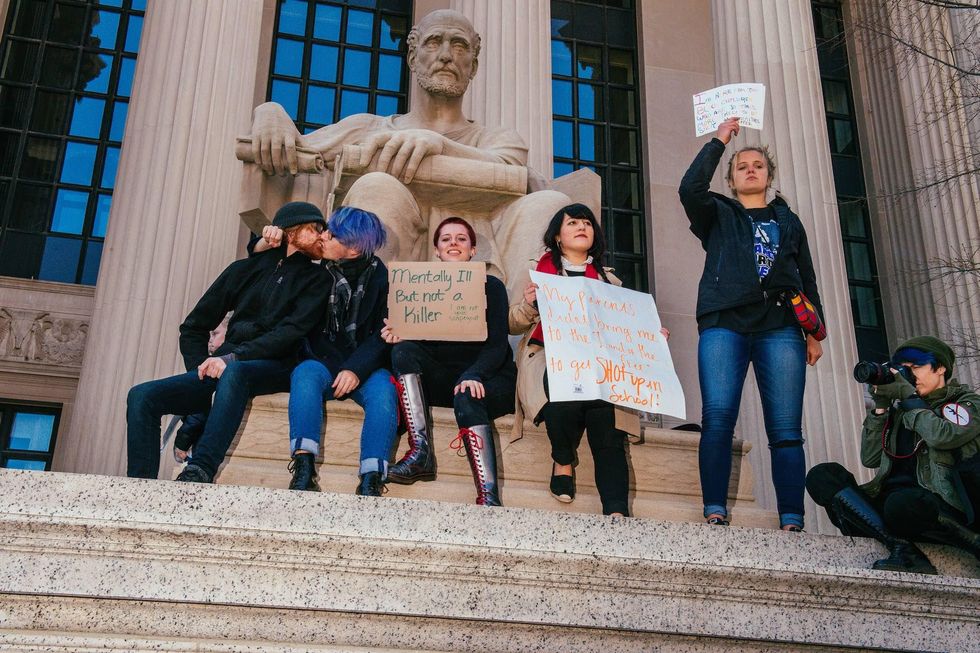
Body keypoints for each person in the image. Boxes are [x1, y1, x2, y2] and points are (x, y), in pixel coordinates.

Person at [247, 9, 572, 301]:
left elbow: (512, 170)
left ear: (472, 65)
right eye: (434, 42)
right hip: (390, 304)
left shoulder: (497, 139)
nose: (446, 55)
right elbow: (294, 159)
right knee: (378, 187)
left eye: (459, 46)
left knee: (550, 204)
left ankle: (533, 345)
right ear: (412, 57)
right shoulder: (368, 129)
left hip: (489, 298)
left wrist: (438, 144)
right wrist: (270, 112)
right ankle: (366, 329)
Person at [678, 117, 825, 531]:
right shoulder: (717, 213)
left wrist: (815, 331)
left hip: (780, 325)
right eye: (742, 166)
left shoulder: (788, 221)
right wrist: (720, 140)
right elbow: (689, 189)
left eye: (757, 165)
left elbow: (807, 277)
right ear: (731, 177)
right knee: (719, 417)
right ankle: (714, 509)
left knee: (785, 429)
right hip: (725, 321)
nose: (750, 170)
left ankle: (792, 519)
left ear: (769, 175)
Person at [126, 202, 329, 482]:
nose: (323, 235)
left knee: (235, 372)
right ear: (291, 233)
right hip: (228, 362)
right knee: (141, 396)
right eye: (315, 228)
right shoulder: (243, 270)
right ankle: (139, 487)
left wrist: (231, 359)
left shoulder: (319, 278)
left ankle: (201, 469)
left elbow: (289, 334)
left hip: (279, 364)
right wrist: (200, 368)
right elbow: (193, 328)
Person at [806, 337, 980, 574]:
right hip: (893, 506)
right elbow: (870, 458)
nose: (910, 375)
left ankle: (973, 541)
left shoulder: (966, 403)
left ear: (940, 368)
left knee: (903, 503)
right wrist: (880, 408)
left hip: (938, 506)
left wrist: (909, 398)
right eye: (904, 369)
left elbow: (944, 436)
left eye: (916, 367)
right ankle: (903, 549)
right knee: (823, 476)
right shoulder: (900, 411)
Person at [259, 207, 396, 497]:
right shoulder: (315, 268)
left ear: (355, 247)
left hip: (365, 365)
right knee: (305, 375)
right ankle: (303, 465)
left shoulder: (385, 280)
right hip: (322, 359)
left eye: (332, 234)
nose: (323, 236)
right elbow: (272, 259)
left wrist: (355, 369)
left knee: (384, 392)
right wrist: (267, 239)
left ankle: (372, 477)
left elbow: (382, 336)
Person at [380, 217, 517, 506]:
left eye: (461, 239)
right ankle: (421, 453)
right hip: (442, 377)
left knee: (467, 394)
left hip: (488, 378)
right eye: (446, 239)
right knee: (402, 351)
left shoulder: (491, 286)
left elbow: (496, 345)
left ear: (472, 250)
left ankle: (489, 497)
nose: (453, 243)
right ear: (437, 252)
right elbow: (415, 346)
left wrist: (475, 375)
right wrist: (398, 334)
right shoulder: (419, 289)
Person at [509, 204, 631, 517]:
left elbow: (624, 331)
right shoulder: (538, 272)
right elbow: (511, 323)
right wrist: (529, 305)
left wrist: (649, 334)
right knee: (561, 389)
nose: (581, 227)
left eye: (587, 223)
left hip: (599, 368)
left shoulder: (610, 282)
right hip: (550, 360)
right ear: (558, 237)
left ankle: (616, 510)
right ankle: (563, 459)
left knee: (608, 426)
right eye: (572, 222)